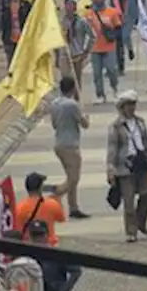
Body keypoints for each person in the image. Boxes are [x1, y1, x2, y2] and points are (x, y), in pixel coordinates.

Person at [104, 89, 147, 243]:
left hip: (141, 164)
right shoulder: (116, 126)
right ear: (122, 107)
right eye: (128, 105)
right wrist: (110, 169)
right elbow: (112, 149)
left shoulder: (140, 122)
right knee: (129, 201)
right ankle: (131, 231)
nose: (132, 108)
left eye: (133, 104)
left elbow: (146, 143)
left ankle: (141, 222)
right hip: (124, 167)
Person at [49, 75, 90, 219]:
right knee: (73, 179)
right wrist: (86, 117)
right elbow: (84, 124)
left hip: (59, 143)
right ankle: (55, 195)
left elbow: (54, 124)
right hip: (70, 145)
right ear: (73, 89)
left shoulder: (54, 104)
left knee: (70, 177)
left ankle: (73, 207)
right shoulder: (72, 105)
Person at [12, 171, 67, 244]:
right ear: (40, 187)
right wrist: (58, 199)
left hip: (30, 244)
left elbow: (18, 229)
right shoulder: (52, 203)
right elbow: (61, 219)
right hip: (49, 244)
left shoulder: (19, 207)